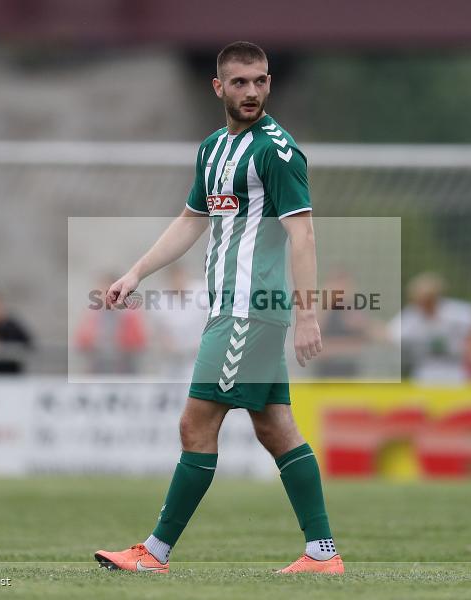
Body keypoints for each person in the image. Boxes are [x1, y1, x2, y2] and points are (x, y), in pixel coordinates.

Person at [93, 42, 342, 575]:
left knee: (195, 425)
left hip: (249, 311)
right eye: (240, 82)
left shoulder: (276, 151)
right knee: (275, 427)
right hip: (233, 310)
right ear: (219, 87)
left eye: (260, 81)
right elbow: (190, 221)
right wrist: (136, 272)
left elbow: (304, 234)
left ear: (269, 83)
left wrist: (306, 315)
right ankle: (322, 554)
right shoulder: (212, 149)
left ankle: (154, 553)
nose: (251, 91)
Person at [386, 272, 471, 385]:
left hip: (456, 368)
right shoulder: (411, 316)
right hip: (425, 369)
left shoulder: (453, 311)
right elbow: (389, 334)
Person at [75, 273, 148, 374]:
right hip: (98, 369)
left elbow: (138, 343)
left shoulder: (129, 315)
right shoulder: (92, 316)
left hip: (124, 369)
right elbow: (81, 342)